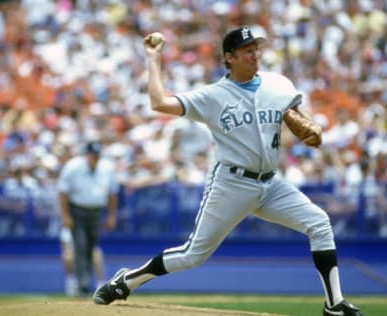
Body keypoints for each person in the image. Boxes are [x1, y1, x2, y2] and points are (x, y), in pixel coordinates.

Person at [93, 26, 364, 316]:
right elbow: (159, 102)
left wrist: (313, 132)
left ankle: (334, 305)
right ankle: (127, 280)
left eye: (256, 49)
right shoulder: (214, 96)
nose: (255, 55)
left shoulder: (279, 84)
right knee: (192, 255)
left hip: (271, 184)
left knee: (319, 223)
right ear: (230, 57)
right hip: (231, 184)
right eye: (248, 51)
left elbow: (308, 128)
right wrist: (152, 58)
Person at [59, 141, 118, 296]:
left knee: (91, 246)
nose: (95, 158)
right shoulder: (73, 166)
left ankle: (86, 282)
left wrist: (111, 215)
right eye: (92, 155)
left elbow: (112, 194)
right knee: (80, 245)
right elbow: (62, 193)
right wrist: (66, 215)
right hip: (77, 211)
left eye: (97, 156)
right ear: (86, 155)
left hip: (96, 212)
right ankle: (83, 284)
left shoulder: (107, 168)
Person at [60, 227, 105, 296]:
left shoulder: (86, 226)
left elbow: (92, 245)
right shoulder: (66, 231)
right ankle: (71, 283)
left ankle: (101, 285)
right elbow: (65, 248)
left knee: (97, 253)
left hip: (86, 252)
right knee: (66, 255)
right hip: (74, 253)